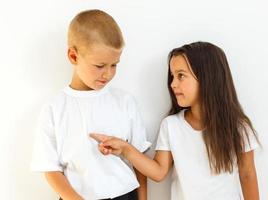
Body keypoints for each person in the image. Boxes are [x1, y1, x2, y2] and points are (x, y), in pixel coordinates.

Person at [91, 41, 260, 200]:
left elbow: (247, 174)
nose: (172, 84)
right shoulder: (171, 126)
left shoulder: (238, 127)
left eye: (181, 76)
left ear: (207, 78)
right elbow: (158, 172)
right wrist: (125, 148)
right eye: (172, 76)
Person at [30, 9, 151, 200]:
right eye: (100, 66)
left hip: (124, 195)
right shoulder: (54, 108)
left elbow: (140, 162)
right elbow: (50, 168)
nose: (108, 74)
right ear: (73, 56)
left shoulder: (125, 102)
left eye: (114, 65)